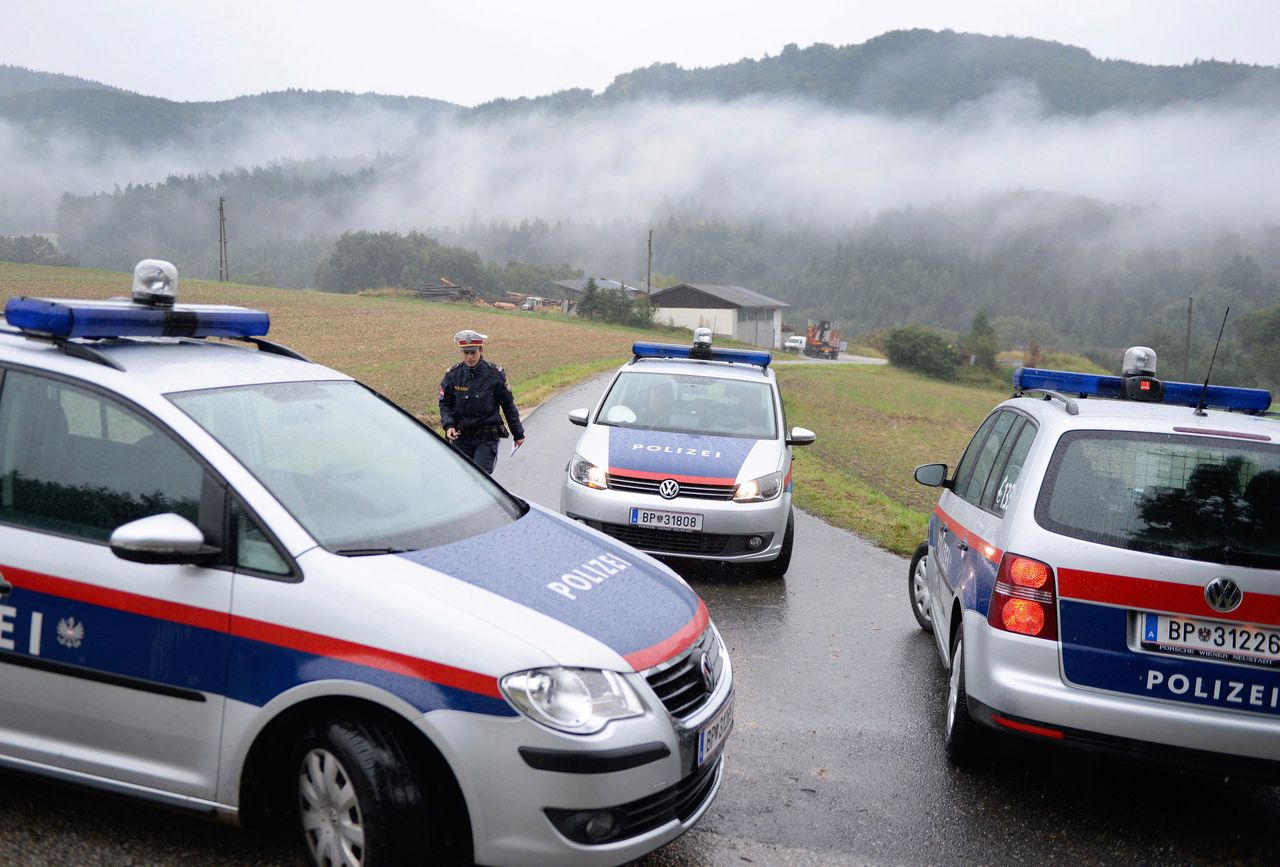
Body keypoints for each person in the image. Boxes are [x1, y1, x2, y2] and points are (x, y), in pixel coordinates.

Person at [438, 329, 525, 474]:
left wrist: (518, 434)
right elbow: (445, 404)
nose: (470, 357)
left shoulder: (495, 375)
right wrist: (449, 425)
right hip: (461, 437)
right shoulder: (453, 376)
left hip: (486, 439)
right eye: (466, 353)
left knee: (480, 478)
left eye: (473, 352)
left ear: (481, 350)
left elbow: (508, 406)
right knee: (460, 478)